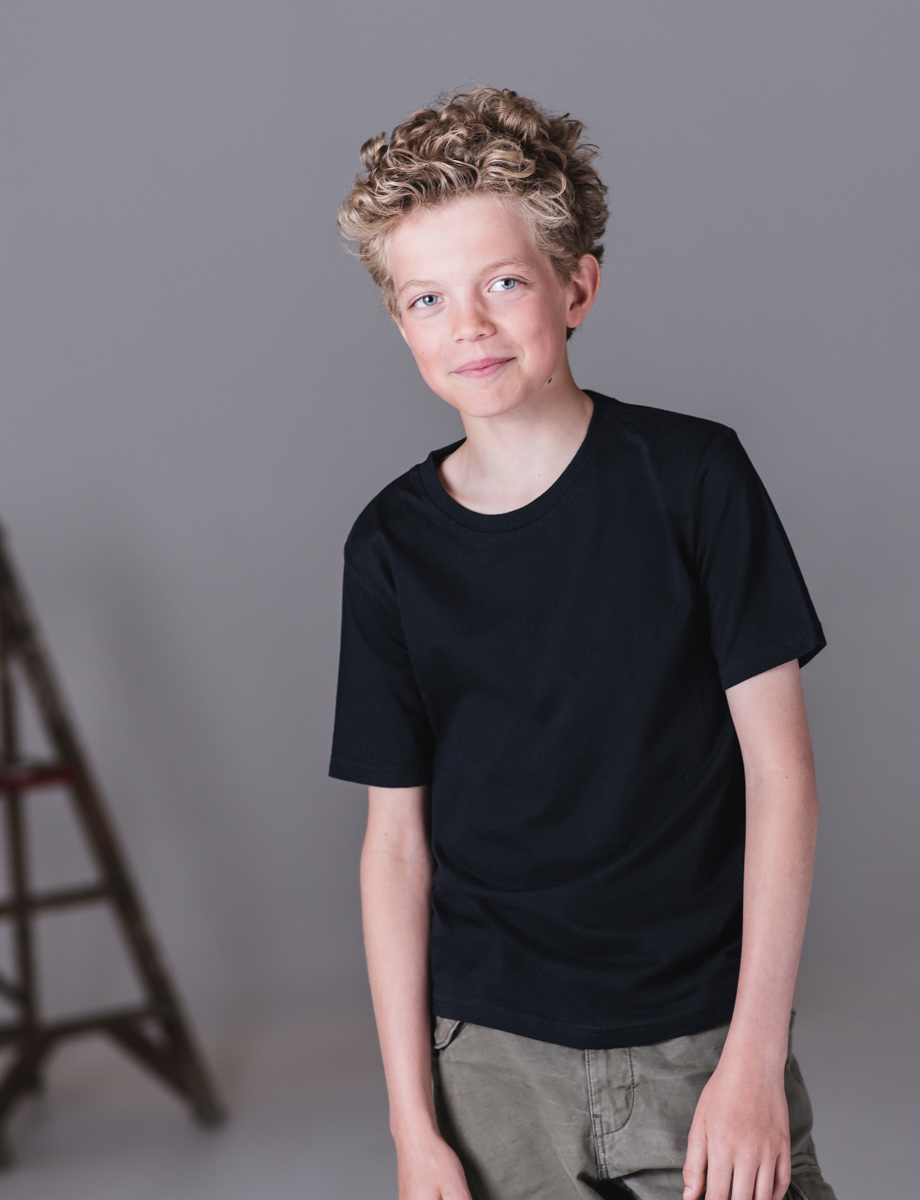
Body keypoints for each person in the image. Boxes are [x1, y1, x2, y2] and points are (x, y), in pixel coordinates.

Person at [328, 87, 838, 1200]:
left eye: (504, 283)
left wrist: (753, 1060)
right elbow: (395, 849)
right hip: (487, 1068)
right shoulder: (389, 549)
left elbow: (782, 777)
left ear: (577, 287)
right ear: (401, 324)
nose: (468, 325)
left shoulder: (695, 481)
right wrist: (414, 1126)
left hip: (697, 1046)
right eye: (428, 298)